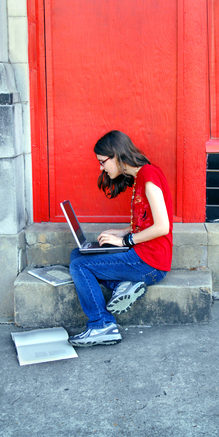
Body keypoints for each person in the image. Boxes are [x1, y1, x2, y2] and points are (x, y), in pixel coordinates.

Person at [68, 130, 173, 347]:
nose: (101, 168)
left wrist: (126, 241)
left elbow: (163, 226)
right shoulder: (141, 176)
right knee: (77, 253)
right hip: (143, 255)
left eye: (102, 162)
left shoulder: (148, 175)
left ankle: (101, 325)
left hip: (150, 262)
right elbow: (148, 219)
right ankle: (123, 284)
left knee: (79, 266)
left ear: (116, 156)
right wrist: (123, 231)